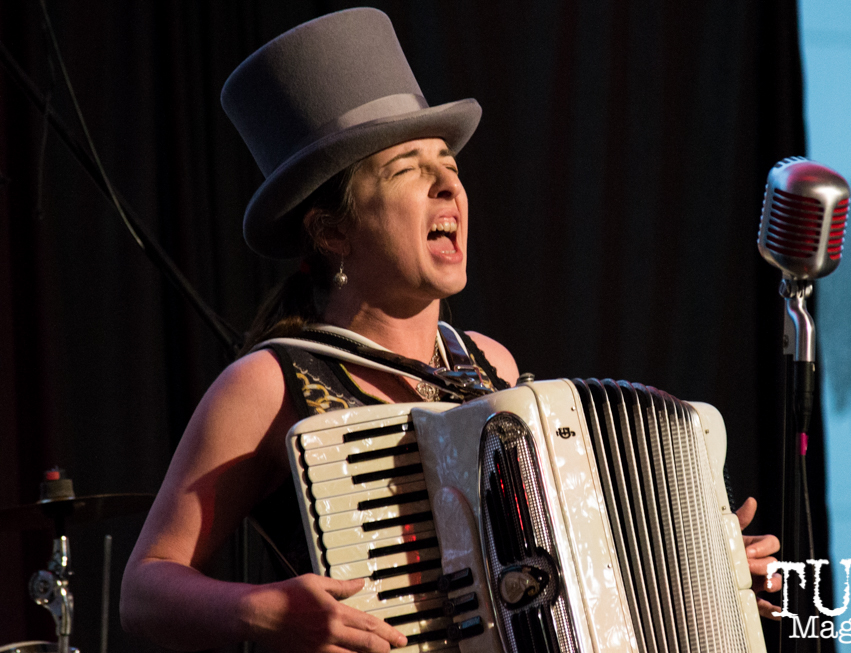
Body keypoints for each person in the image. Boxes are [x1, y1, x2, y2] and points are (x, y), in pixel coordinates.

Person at [120, 8, 780, 653]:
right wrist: (261, 611)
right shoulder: (268, 383)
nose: (448, 184)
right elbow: (144, 590)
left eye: (450, 165)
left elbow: (567, 563)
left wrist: (706, 566)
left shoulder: (490, 364)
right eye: (408, 168)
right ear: (332, 230)